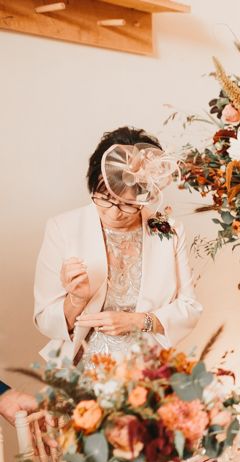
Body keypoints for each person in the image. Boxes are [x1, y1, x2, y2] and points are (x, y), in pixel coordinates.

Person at [34, 126, 202, 364]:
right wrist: (76, 300)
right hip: (82, 368)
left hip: (150, 369)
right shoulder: (63, 228)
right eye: (106, 199)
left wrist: (138, 321)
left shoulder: (170, 230)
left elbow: (190, 308)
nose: (115, 213)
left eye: (127, 204)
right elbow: (44, 319)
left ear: (146, 196)